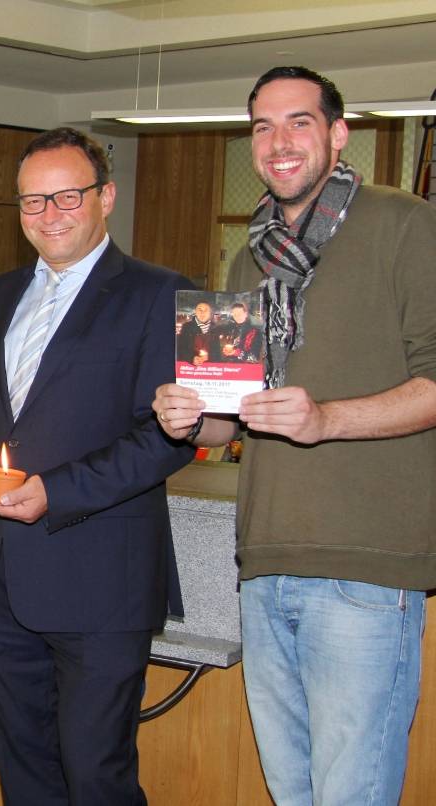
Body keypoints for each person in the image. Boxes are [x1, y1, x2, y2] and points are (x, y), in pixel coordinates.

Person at [153, 66, 436, 806]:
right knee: (293, 793)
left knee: (353, 794)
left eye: (298, 122)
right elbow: (230, 416)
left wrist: (327, 420)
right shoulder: (252, 256)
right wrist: (189, 416)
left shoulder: (406, 225)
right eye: (261, 126)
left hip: (366, 566)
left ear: (339, 135)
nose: (278, 142)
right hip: (263, 560)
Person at [0, 127, 195, 805]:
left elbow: (169, 439)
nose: (49, 215)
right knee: (25, 774)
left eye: (66, 196)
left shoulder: (162, 295)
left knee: (96, 773)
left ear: (106, 197)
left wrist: (57, 491)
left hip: (103, 583)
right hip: (3, 586)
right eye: (32, 202)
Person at [177, 299, 218, 364]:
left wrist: (209, 356)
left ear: (210, 312)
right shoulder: (187, 327)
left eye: (206, 310)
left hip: (211, 369)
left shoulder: (216, 328)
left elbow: (219, 352)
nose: (202, 312)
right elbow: (181, 349)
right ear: (195, 311)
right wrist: (192, 358)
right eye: (200, 309)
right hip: (191, 369)